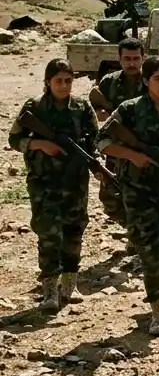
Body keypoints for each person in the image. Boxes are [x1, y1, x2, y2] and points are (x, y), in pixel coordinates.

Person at [97, 57, 159, 334]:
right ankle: (158, 310)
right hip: (140, 192)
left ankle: (157, 280)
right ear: (145, 81)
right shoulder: (129, 110)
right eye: (158, 79)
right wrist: (134, 156)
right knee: (153, 252)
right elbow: (103, 141)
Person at [8, 59, 98, 311]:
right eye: (58, 81)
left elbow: (94, 142)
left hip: (75, 183)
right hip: (43, 183)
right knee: (49, 235)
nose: (63, 86)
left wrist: (98, 164)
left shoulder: (81, 107)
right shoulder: (35, 108)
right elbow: (14, 138)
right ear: (48, 82)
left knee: (74, 232)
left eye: (68, 81)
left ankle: (70, 285)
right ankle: (49, 289)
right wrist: (39, 145)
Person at [89, 37, 146, 231]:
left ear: (143, 59)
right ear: (119, 59)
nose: (132, 63)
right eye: (127, 59)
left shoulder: (153, 80)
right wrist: (101, 113)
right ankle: (133, 230)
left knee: (143, 198)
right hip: (116, 150)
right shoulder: (109, 82)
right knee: (111, 198)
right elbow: (95, 106)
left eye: (136, 58)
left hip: (144, 148)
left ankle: (140, 237)